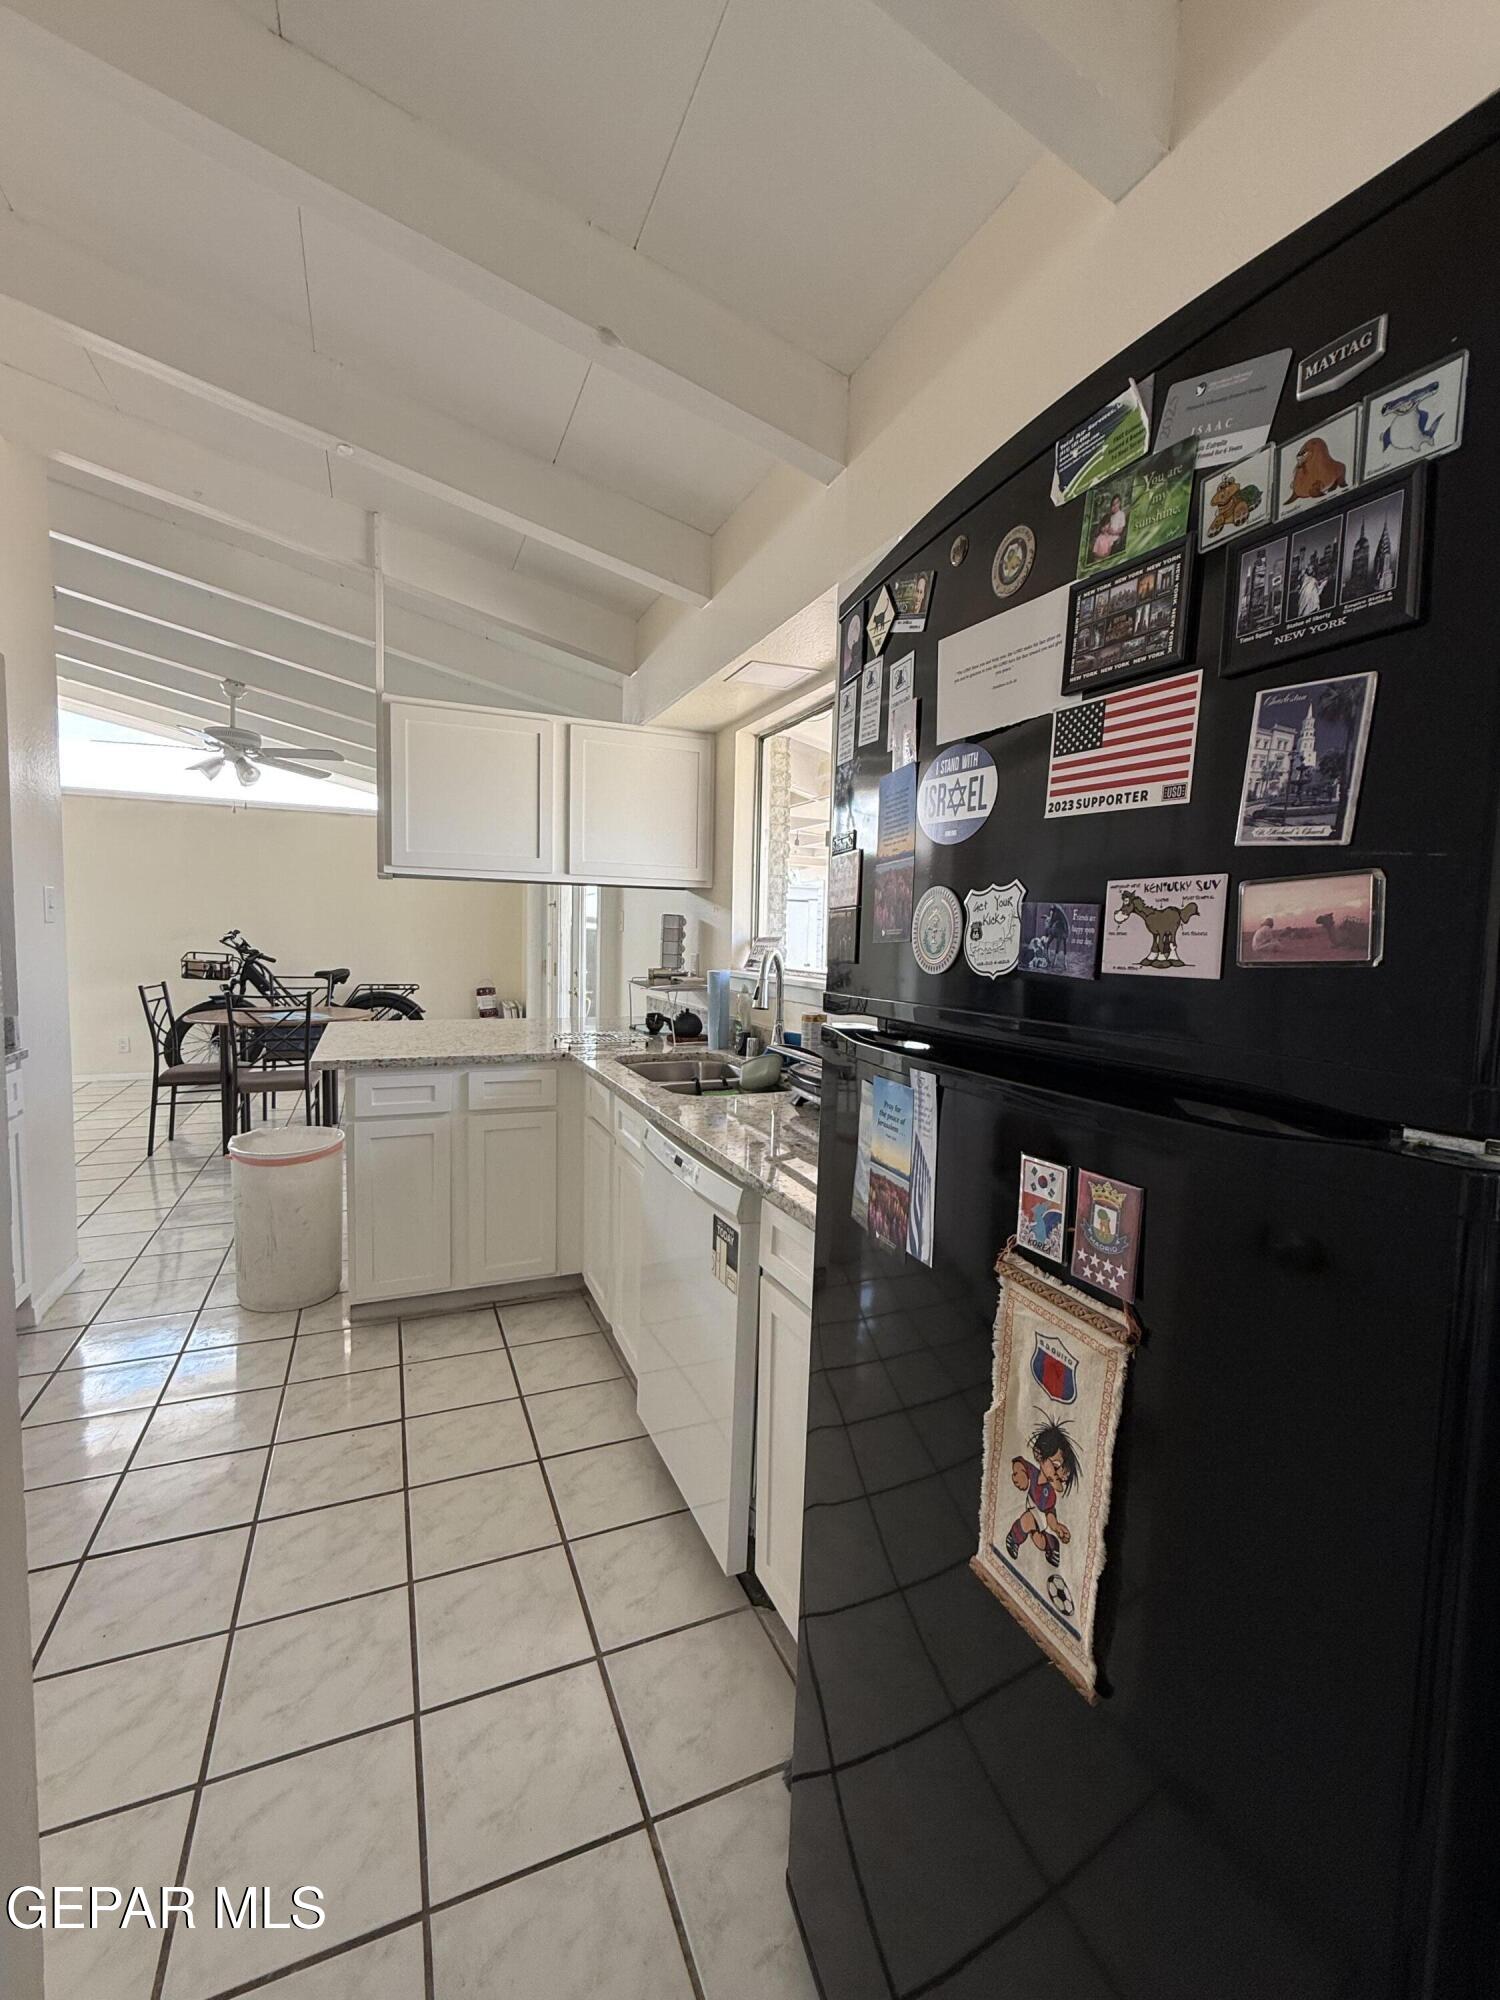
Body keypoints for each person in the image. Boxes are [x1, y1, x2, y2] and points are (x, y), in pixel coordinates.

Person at [1005, 1421, 1081, 1571]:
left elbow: (1049, 1513)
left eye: (1063, 1477)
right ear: (1039, 1455)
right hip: (1032, 1514)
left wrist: (1056, 1526)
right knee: (1028, 1519)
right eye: (1056, 1466)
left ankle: (1051, 1545)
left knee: (1038, 1542)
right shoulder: (1033, 1473)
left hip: (1040, 1518)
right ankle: (1013, 1538)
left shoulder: (1050, 1494)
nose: (1058, 1475)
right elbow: (1019, 1463)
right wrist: (1020, 1473)